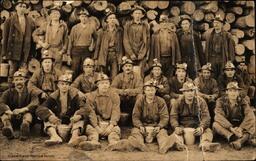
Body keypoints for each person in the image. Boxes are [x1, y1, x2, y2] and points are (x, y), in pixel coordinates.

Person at [107, 80, 170, 153]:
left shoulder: (160, 101)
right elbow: (135, 116)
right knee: (135, 132)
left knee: (163, 134)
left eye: (152, 90)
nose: (150, 92)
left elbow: (165, 117)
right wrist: (140, 126)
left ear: (155, 90)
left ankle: (163, 147)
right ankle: (140, 145)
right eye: (148, 90)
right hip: (143, 126)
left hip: (156, 126)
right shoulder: (140, 101)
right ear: (144, 91)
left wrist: (159, 126)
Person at [36, 74, 90, 146]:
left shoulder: (74, 96)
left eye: (67, 84)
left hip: (71, 123)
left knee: (79, 114)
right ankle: (54, 137)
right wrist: (49, 116)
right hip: (57, 123)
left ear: (69, 86)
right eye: (62, 84)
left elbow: (85, 107)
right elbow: (40, 108)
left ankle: (74, 137)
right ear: (58, 85)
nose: (64, 86)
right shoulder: (53, 96)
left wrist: (79, 116)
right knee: (47, 113)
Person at [170, 81, 220, 152]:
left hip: (197, 126)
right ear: (183, 92)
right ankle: (178, 144)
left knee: (207, 131)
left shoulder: (201, 101)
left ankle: (205, 144)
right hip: (183, 126)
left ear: (194, 91)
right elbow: (173, 116)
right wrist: (176, 126)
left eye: (192, 90)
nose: (190, 93)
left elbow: (206, 116)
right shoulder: (178, 102)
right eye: (187, 91)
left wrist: (202, 127)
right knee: (177, 133)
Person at [78, 73, 121, 150]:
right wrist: (96, 127)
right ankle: (94, 142)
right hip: (97, 123)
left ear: (109, 84)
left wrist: (111, 125)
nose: (105, 85)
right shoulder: (91, 96)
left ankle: (113, 143)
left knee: (116, 130)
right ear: (97, 85)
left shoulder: (114, 96)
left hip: (109, 123)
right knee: (89, 129)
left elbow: (116, 111)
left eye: (106, 83)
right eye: (102, 83)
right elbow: (91, 113)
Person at [213, 82, 255, 150]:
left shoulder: (243, 101)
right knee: (215, 124)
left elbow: (250, 115)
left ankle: (239, 142)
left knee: (253, 122)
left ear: (238, 92)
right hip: (228, 127)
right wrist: (231, 128)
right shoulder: (220, 101)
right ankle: (238, 138)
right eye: (230, 90)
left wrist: (241, 128)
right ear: (227, 92)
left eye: (235, 91)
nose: (233, 93)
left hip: (239, 126)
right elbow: (218, 116)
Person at [2, 0, 35, 83]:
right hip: (12, 50)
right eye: (20, 6)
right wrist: (4, 53)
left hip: (24, 50)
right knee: (12, 71)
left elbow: (32, 37)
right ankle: (10, 88)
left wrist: (32, 51)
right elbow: (5, 38)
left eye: (24, 7)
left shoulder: (30, 21)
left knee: (23, 71)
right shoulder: (9, 20)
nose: (22, 8)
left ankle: (21, 89)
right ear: (16, 8)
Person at [0, 70, 39, 140]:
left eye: (21, 79)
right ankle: (8, 129)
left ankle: (25, 129)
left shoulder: (31, 91)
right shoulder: (8, 92)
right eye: (16, 80)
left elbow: (35, 102)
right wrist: (7, 110)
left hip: (25, 117)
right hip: (12, 116)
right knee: (4, 115)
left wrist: (22, 110)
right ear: (13, 81)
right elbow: (1, 102)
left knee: (28, 115)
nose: (19, 82)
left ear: (25, 80)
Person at [111, 56, 143, 125]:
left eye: (130, 66)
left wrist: (129, 91)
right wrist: (122, 92)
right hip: (121, 99)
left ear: (132, 68)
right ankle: (116, 120)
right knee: (114, 96)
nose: (128, 68)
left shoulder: (137, 77)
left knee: (140, 96)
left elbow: (140, 89)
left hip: (132, 100)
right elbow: (112, 88)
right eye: (126, 66)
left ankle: (136, 120)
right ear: (123, 68)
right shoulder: (119, 76)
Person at [67, 8, 97, 78]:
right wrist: (68, 55)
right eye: (82, 16)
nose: (84, 18)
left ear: (88, 18)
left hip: (86, 50)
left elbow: (96, 39)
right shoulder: (75, 28)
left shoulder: (91, 27)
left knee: (85, 68)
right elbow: (70, 42)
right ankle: (73, 85)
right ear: (79, 17)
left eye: (85, 17)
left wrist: (93, 45)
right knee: (74, 69)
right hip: (76, 50)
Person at [94, 10, 123, 79]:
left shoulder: (119, 31)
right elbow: (98, 45)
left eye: (114, 18)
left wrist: (120, 58)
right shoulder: (102, 31)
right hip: (104, 54)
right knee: (103, 75)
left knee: (114, 75)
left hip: (115, 55)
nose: (112, 20)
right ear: (107, 20)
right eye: (110, 18)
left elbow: (122, 46)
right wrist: (96, 58)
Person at [150, 12, 181, 77]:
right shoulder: (155, 34)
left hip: (170, 58)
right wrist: (152, 60)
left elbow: (177, 48)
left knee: (169, 75)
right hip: (159, 58)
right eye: (162, 22)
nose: (164, 24)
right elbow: (152, 49)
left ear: (168, 23)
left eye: (165, 22)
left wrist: (178, 60)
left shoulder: (173, 34)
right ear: (159, 23)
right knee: (159, 75)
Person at [123, 5, 150, 77]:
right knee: (129, 72)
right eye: (136, 13)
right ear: (132, 15)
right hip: (130, 53)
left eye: (139, 13)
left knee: (140, 73)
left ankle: (140, 87)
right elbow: (125, 40)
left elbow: (147, 41)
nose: (137, 15)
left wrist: (142, 54)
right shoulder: (128, 25)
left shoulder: (145, 26)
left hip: (141, 52)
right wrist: (131, 53)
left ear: (142, 15)